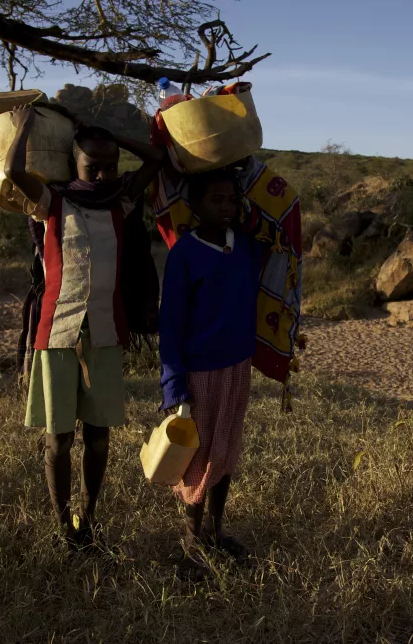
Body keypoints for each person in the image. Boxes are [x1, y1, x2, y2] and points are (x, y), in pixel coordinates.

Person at [4, 104, 165, 551]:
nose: (102, 175)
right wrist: (23, 127)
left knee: (98, 438)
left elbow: (155, 160)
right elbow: (14, 169)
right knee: (58, 440)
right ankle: (61, 527)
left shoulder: (121, 202)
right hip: (56, 333)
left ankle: (87, 521)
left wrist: (113, 137)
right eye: (92, 166)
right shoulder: (52, 202)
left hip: (106, 333)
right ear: (73, 162)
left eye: (110, 166)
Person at [158, 168, 267, 574]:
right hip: (200, 372)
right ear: (195, 206)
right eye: (215, 200)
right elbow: (170, 323)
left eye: (231, 199)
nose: (225, 207)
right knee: (197, 458)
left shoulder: (245, 246)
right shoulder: (185, 253)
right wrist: (173, 384)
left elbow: (266, 218)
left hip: (237, 366)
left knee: (226, 452)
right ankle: (192, 540)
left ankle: (217, 532)